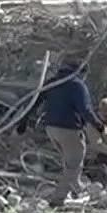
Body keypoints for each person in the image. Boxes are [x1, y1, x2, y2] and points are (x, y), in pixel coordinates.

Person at [37, 62, 98, 203]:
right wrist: (98, 125)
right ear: (81, 73)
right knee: (74, 164)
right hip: (69, 130)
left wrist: (23, 122)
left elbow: (35, 101)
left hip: (50, 129)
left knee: (69, 161)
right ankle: (58, 199)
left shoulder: (52, 82)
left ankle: (77, 188)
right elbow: (86, 110)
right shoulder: (77, 85)